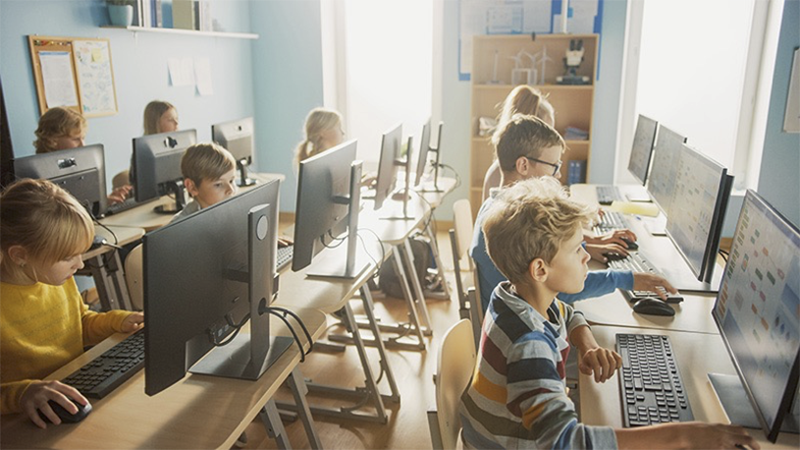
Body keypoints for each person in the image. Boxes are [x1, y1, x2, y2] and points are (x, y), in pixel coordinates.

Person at [459, 176, 760, 450]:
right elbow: (565, 443)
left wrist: (586, 343)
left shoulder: (513, 296)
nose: (587, 256)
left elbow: (563, 312)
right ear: (540, 269)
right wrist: (684, 436)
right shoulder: (530, 346)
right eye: (578, 249)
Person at [470, 114, 676, 313]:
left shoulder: (496, 207)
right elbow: (559, 291)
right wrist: (627, 279)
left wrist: (585, 247)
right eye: (553, 166)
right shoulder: (512, 224)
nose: (558, 175)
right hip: (519, 326)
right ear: (523, 165)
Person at [0, 179, 144, 429]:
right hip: (23, 422)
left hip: (74, 392)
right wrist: (22, 394)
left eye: (81, 253)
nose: (79, 265)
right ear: (20, 255)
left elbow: (78, 323)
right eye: (68, 257)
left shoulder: (52, 277)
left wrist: (118, 320)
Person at [481, 86, 633, 263]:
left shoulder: (517, 178)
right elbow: (533, 238)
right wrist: (591, 244)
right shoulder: (506, 184)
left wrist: (592, 235)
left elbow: (541, 231)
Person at [33, 107, 130, 205]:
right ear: (53, 140)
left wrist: (105, 201)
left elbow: (85, 203)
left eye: (83, 138)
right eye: (76, 139)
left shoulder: (76, 164)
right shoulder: (39, 176)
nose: (82, 145)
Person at [169, 142, 238, 224]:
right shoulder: (180, 228)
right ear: (192, 187)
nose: (231, 190)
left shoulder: (233, 212)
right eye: (218, 184)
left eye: (231, 181)